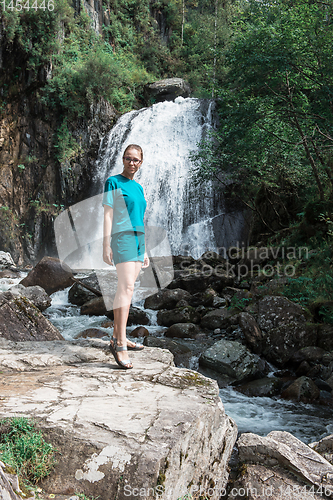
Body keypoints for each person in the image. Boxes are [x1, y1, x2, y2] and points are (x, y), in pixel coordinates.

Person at [102, 144, 149, 369]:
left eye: (136, 160)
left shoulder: (138, 188)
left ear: (141, 163)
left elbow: (139, 217)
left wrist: (145, 249)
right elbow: (108, 215)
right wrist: (105, 244)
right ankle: (120, 344)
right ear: (123, 159)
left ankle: (117, 336)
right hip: (122, 239)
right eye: (129, 158)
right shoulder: (113, 182)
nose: (132, 163)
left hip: (139, 242)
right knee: (126, 288)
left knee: (127, 290)